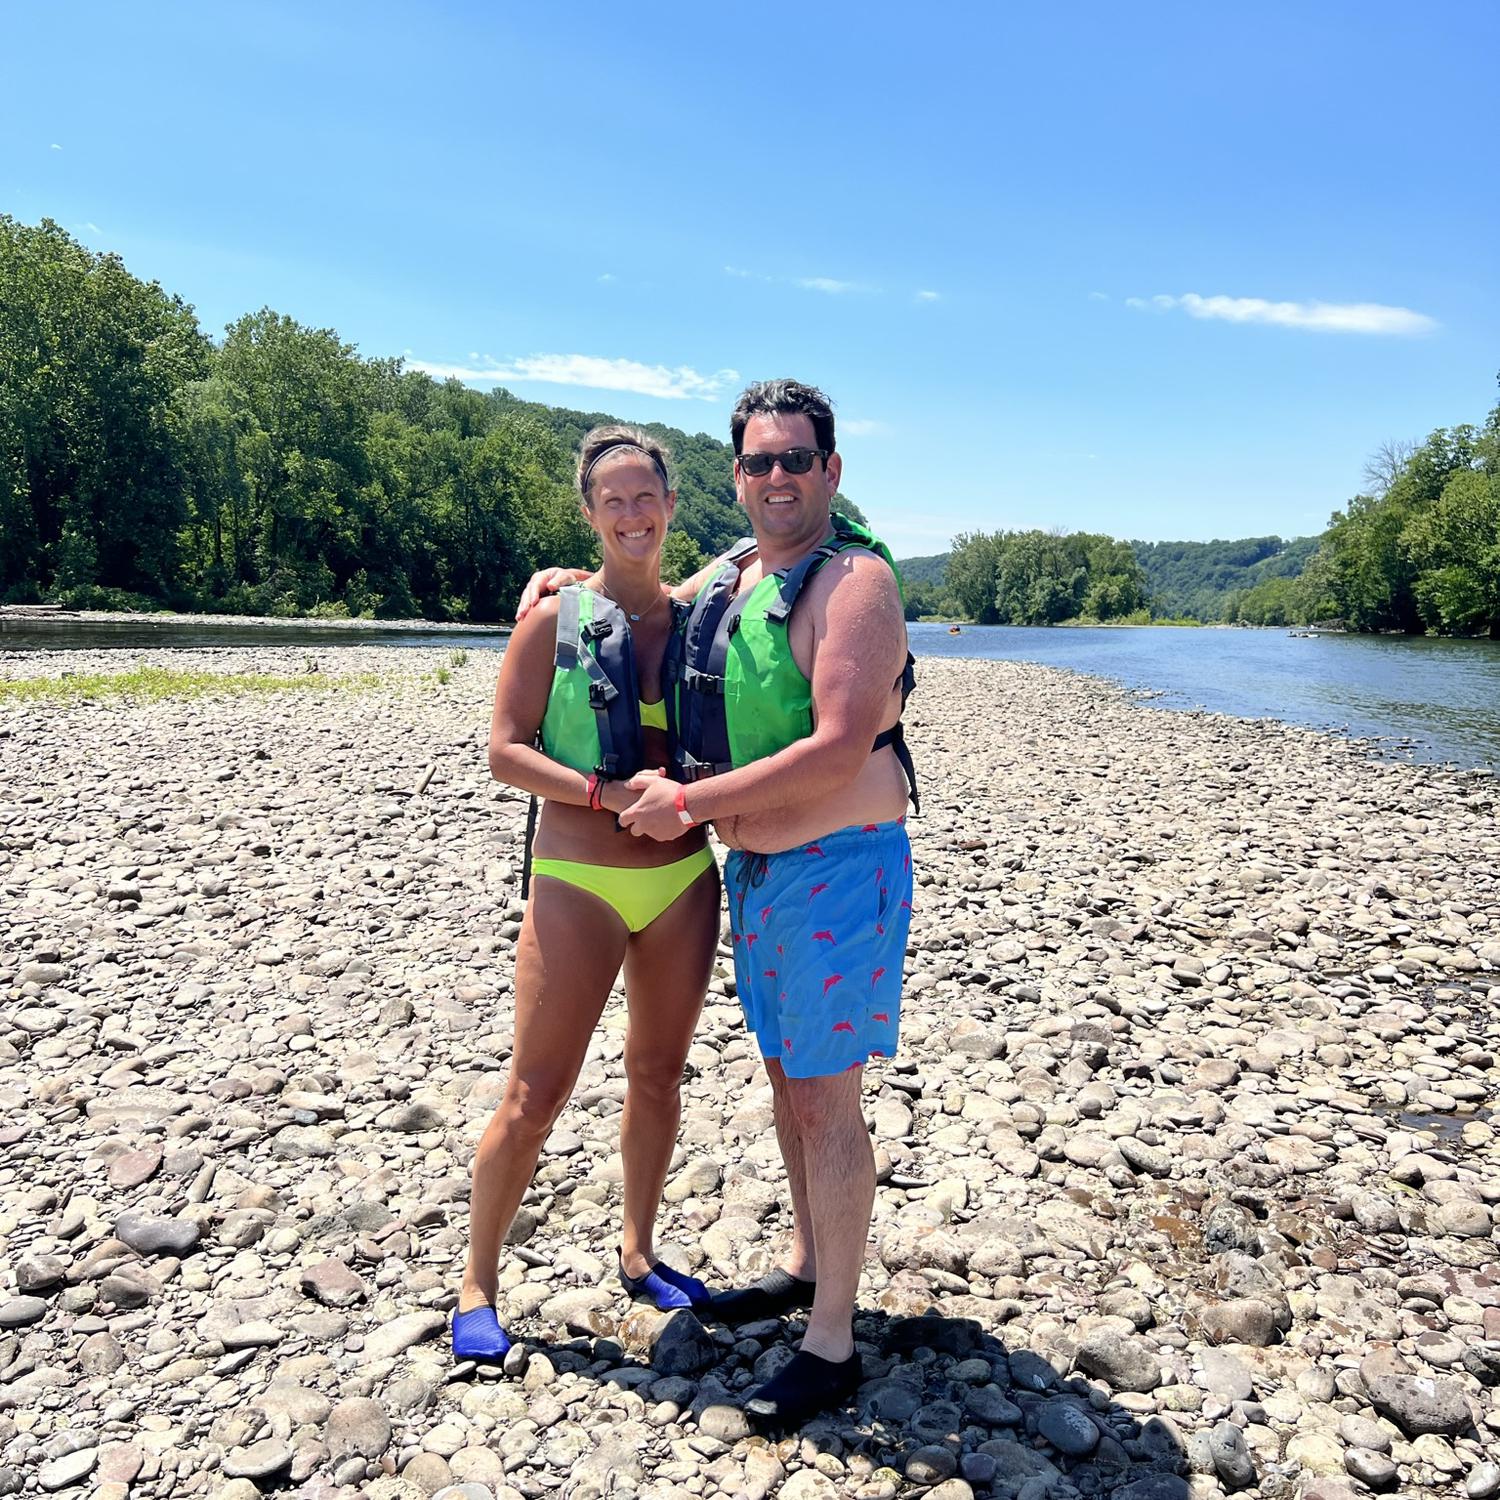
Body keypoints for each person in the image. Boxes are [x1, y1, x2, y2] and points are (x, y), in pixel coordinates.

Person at [520, 380, 916, 1422]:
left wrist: (687, 800)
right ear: (737, 477)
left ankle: (831, 1343)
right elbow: (643, 588)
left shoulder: (855, 584)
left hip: (837, 865)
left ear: (832, 471)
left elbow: (836, 746)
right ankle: (803, 1265)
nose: (777, 476)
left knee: (827, 1098)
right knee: (791, 1079)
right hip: (760, 874)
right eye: (758, 461)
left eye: (796, 459)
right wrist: (570, 582)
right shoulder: (742, 569)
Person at [452, 426, 722, 1364]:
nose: (633, 515)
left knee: (657, 1075)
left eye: (647, 496)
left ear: (671, 506)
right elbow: (504, 750)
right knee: (537, 1091)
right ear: (589, 512)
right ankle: (477, 1282)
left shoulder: (698, 620)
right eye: (613, 500)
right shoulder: (553, 618)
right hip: (576, 880)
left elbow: (793, 538)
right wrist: (601, 793)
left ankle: (639, 1250)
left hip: (684, 883)